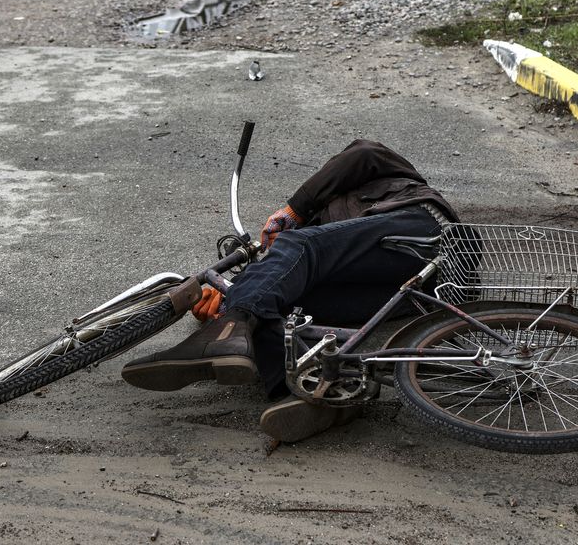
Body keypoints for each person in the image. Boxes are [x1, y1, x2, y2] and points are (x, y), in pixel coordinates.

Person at [121, 139, 458, 443]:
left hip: (422, 234)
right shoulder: (326, 233)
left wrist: (295, 208)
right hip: (409, 290)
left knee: (299, 245)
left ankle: (229, 328)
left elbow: (363, 153)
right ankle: (322, 389)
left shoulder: (392, 179)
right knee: (281, 308)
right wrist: (227, 299)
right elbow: (284, 277)